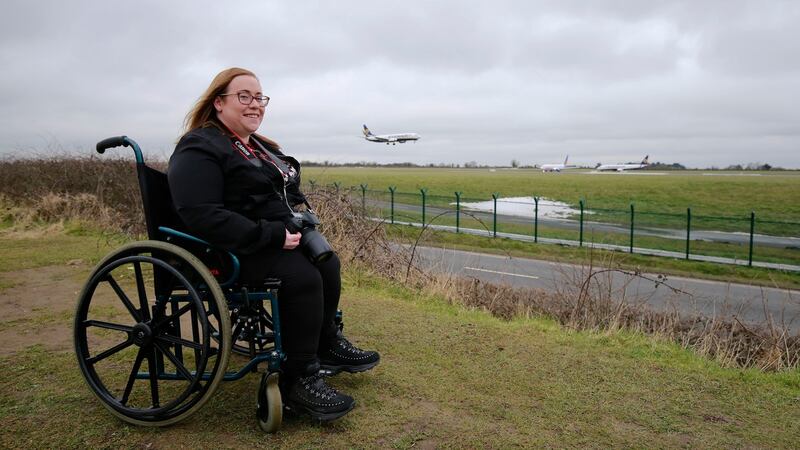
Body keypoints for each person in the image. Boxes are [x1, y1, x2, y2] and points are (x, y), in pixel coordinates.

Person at [168, 67, 379, 421]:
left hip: (271, 237)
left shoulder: (261, 147)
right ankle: (297, 381)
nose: (255, 105)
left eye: (259, 98)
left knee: (327, 263)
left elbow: (282, 192)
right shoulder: (200, 146)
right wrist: (271, 234)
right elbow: (201, 213)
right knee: (303, 278)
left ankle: (324, 345)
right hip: (228, 249)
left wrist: (297, 218)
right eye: (244, 97)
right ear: (219, 103)